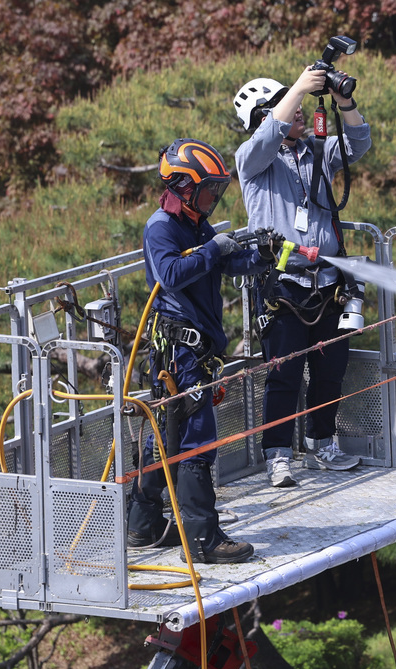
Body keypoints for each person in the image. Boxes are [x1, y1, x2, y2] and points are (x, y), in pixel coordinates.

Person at [234, 65, 372, 488]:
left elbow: (358, 143)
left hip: (327, 282)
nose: (295, 113)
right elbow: (270, 134)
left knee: (330, 370)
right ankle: (277, 456)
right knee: (283, 375)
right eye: (283, 107)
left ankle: (321, 442)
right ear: (262, 118)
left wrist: (342, 99)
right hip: (283, 286)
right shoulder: (253, 160)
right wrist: (298, 87)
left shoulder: (315, 151)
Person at [127, 138, 263, 563]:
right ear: (182, 186)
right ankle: (205, 541)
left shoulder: (195, 223)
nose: (212, 200)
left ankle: (143, 527)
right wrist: (212, 249)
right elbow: (169, 274)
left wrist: (259, 255)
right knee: (195, 440)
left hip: (193, 349)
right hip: (180, 354)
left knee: (165, 438)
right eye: (207, 190)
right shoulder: (161, 227)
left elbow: (220, 263)